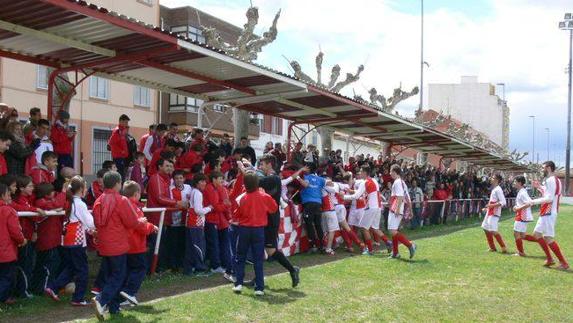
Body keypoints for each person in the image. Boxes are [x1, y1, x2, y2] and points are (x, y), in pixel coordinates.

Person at [92, 171, 145, 319]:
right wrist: (141, 221)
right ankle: (101, 300)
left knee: (111, 275)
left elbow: (97, 222)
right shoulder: (121, 200)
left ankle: (113, 307)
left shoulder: (98, 200)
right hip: (118, 245)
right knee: (118, 276)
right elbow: (132, 222)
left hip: (104, 244)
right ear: (117, 184)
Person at [45, 176, 94, 306]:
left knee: (72, 267)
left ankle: (53, 287)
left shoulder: (69, 201)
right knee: (82, 270)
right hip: (76, 240)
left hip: (67, 239)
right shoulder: (79, 203)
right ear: (82, 189)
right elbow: (89, 222)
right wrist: (94, 229)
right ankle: (78, 298)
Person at [256, 155, 301, 287]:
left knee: (269, 250)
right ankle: (258, 278)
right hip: (266, 218)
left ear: (269, 164)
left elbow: (257, 182)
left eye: (262, 164)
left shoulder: (273, 178)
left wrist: (248, 170)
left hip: (270, 220)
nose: (260, 167)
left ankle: (293, 270)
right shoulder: (270, 179)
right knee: (264, 250)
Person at [232, 172, 277, 296]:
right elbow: (274, 208)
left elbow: (235, 215)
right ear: (257, 182)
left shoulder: (242, 197)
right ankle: (259, 287)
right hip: (258, 230)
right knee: (258, 259)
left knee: (240, 256)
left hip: (244, 230)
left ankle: (239, 283)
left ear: (245, 184)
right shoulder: (264, 196)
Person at [120, 180, 157, 306]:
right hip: (136, 245)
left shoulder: (123, 206)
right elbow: (141, 227)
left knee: (128, 270)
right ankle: (129, 292)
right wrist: (152, 227)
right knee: (141, 268)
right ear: (136, 194)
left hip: (125, 245)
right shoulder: (135, 208)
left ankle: (123, 296)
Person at [528, 161, 569, 269]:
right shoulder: (554, 180)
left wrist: (533, 202)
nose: (542, 170)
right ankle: (550, 259)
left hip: (549, 212)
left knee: (548, 238)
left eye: (543, 168)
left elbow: (549, 198)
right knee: (537, 234)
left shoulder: (551, 180)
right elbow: (548, 193)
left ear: (549, 168)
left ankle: (563, 263)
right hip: (547, 211)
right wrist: (539, 186)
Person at [146, 158, 185, 271]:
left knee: (161, 243)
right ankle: (153, 269)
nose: (170, 168)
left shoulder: (164, 179)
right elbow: (160, 197)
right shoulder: (157, 178)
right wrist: (177, 203)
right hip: (157, 217)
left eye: (171, 166)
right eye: (167, 166)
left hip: (163, 217)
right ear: (160, 167)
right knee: (156, 244)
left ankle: (158, 267)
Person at [11, 176, 45, 298]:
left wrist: (35, 230)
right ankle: (22, 291)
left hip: (29, 237)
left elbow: (34, 218)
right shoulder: (19, 200)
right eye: (30, 186)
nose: (33, 188)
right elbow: (21, 209)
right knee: (25, 264)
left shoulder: (28, 199)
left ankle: (24, 290)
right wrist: (35, 209)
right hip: (23, 239)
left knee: (29, 263)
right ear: (21, 188)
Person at [32, 183, 65, 294]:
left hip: (52, 240)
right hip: (46, 241)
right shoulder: (40, 202)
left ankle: (47, 287)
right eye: (52, 191)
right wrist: (63, 192)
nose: (54, 193)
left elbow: (59, 205)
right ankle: (44, 288)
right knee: (48, 265)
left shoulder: (47, 201)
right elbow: (57, 205)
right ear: (46, 194)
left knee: (53, 263)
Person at [0, 183, 26, 305]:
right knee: (7, 277)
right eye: (8, 193)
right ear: (2, 195)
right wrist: (22, 240)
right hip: (6, 251)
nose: (10, 195)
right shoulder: (8, 211)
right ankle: (3, 298)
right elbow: (15, 231)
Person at [183, 174, 212, 276]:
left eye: (205, 181)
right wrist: (209, 208)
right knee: (198, 246)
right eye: (202, 181)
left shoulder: (193, 191)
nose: (204, 183)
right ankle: (199, 268)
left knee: (190, 247)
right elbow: (198, 210)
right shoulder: (198, 193)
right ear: (196, 183)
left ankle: (189, 269)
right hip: (196, 223)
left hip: (190, 222)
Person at [388, 164, 416, 259]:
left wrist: (396, 208)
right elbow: (407, 197)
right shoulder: (402, 182)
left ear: (395, 172)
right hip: (397, 207)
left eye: (390, 171)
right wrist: (411, 210)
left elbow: (400, 196)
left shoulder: (397, 182)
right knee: (394, 230)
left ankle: (410, 245)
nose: (389, 173)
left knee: (392, 231)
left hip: (396, 208)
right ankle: (395, 253)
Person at [299, 163, 326, 251]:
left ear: (308, 169)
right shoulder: (321, 179)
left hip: (309, 203)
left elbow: (305, 185)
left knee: (309, 224)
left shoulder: (306, 177)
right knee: (318, 225)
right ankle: (322, 245)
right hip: (318, 203)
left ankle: (313, 245)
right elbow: (330, 183)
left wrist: (297, 177)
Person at [481, 174, 508, 253]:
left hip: (495, 212)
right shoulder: (494, 189)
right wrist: (487, 208)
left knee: (493, 230)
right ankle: (492, 247)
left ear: (496, 180)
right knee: (485, 228)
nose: (490, 178)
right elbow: (492, 201)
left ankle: (503, 247)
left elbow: (503, 202)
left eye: (492, 178)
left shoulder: (498, 189)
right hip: (490, 211)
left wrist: (491, 205)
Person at [512, 175, 533, 257]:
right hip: (521, 214)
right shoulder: (521, 191)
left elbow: (529, 203)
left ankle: (521, 252)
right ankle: (540, 240)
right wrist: (516, 207)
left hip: (522, 215)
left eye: (515, 181)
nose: (513, 183)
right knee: (523, 235)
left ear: (519, 183)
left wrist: (518, 208)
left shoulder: (523, 192)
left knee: (516, 233)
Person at [108, 114, 131, 179]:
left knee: (122, 177)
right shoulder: (117, 131)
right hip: (118, 157)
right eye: (126, 122)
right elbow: (111, 143)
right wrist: (122, 152)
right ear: (121, 121)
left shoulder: (122, 131)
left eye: (127, 122)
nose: (127, 124)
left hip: (122, 157)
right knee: (120, 177)